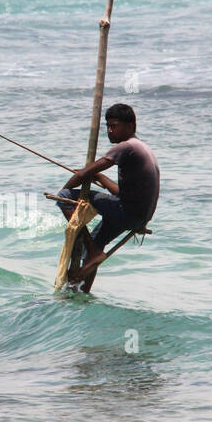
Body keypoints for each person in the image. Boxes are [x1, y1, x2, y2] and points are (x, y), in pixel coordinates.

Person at [56, 102, 159, 292]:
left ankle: (93, 253)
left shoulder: (126, 147)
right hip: (138, 216)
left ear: (130, 127)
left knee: (64, 196)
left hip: (126, 212)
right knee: (95, 244)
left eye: (114, 126)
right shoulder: (142, 148)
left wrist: (62, 196)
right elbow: (122, 193)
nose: (110, 131)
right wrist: (102, 178)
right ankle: (82, 291)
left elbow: (82, 175)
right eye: (108, 126)